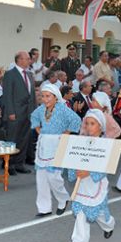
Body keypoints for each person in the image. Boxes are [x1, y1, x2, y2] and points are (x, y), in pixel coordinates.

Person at [31, 84, 81, 217]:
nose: (45, 99)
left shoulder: (62, 109)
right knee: (41, 177)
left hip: (57, 144)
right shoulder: (41, 109)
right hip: (43, 144)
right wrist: (38, 129)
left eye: (48, 96)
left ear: (55, 97)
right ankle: (44, 208)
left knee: (54, 176)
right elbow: (34, 117)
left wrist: (66, 133)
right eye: (43, 96)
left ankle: (63, 198)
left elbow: (76, 120)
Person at [68, 110, 115, 242]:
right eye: (87, 123)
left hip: (96, 183)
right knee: (80, 211)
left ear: (100, 126)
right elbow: (74, 157)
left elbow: (106, 166)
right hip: (82, 183)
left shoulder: (106, 144)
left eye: (93, 123)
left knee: (99, 213)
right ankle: (79, 241)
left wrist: (89, 172)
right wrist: (75, 171)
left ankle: (109, 225)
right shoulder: (80, 142)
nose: (89, 126)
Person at [3, 51, 36, 175]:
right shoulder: (10, 74)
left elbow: (32, 95)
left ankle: (19, 163)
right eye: (27, 59)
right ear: (19, 60)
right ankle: (9, 164)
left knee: (24, 138)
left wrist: (35, 112)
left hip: (28, 112)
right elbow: (7, 95)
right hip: (15, 112)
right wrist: (10, 112)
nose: (29, 61)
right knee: (13, 139)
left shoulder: (29, 75)